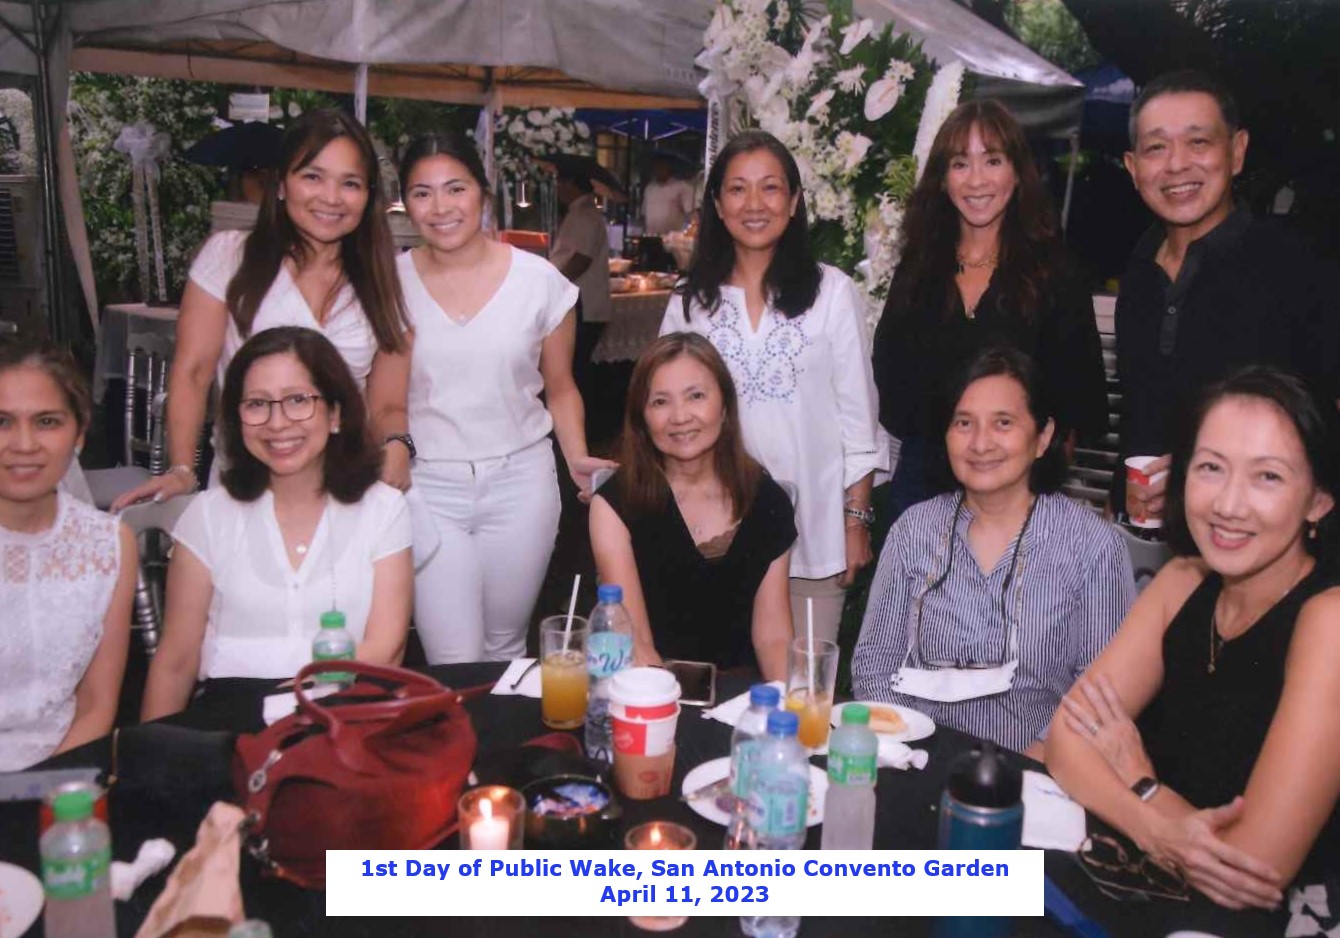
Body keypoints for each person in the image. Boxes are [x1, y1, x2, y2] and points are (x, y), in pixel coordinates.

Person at [1048, 367, 1340, 925]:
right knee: (911, 884)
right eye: (1211, 468)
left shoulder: (1329, 620)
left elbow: (1250, 870)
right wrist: (1153, 827)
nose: (1228, 504)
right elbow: (1067, 739)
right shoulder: (1182, 580)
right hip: (1147, 874)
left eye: (1268, 477)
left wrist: (1141, 781)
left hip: (1267, 921)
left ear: (1318, 501)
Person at [378, 132, 615, 664]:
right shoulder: (391, 283)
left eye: (455, 188)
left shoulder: (540, 282)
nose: (440, 207)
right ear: (406, 203)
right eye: (422, 193)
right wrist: (392, 446)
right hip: (429, 487)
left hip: (521, 483)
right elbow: (387, 401)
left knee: (506, 645)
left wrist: (576, 455)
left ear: (482, 194)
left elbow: (560, 387)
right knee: (454, 657)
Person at [112, 108, 408, 511]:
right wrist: (182, 469)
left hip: (343, 491)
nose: (331, 197)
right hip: (245, 485)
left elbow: (387, 404)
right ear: (281, 184)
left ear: (369, 195)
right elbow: (193, 372)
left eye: (350, 183)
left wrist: (397, 445)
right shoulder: (230, 257)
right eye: (313, 177)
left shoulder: (384, 278)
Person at [660, 130, 886, 646]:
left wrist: (855, 522)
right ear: (718, 205)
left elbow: (859, 420)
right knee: (720, 679)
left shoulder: (832, 292)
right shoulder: (689, 302)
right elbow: (663, 415)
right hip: (714, 534)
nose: (754, 204)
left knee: (801, 684)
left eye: (770, 187)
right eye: (738, 189)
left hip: (814, 534)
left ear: (794, 200)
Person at [852, 345, 1134, 758]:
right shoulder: (914, 531)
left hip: (1040, 767)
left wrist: (1037, 762)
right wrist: (907, 751)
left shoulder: (1093, 546)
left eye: (1003, 423)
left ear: (1043, 437)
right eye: (964, 423)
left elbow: (1101, 692)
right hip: (916, 759)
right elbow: (874, 666)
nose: (981, 443)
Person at [141, 328, 412, 720]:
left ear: (335, 414)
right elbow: (176, 662)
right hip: (230, 717)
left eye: (298, 400)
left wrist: (289, 705)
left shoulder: (383, 510)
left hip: (347, 713)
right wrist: (149, 749)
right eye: (257, 404)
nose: (277, 422)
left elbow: (386, 649)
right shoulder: (208, 515)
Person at [1112, 70, 1340, 525]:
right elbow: (1141, 413)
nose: (1176, 164)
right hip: (1152, 540)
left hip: (1268, 539)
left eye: (1198, 142)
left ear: (1237, 152)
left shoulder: (1297, 265)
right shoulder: (1139, 271)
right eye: (1156, 148)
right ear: (1133, 168)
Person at [872, 99, 1109, 517]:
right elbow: (890, 382)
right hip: (922, 487)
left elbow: (1076, 399)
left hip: (1019, 489)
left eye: (993, 160)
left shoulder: (1054, 272)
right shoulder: (919, 267)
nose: (977, 180)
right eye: (960, 164)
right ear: (942, 179)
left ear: (1017, 172)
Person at [590, 333, 795, 679]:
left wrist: (786, 706)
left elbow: (774, 639)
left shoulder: (767, 502)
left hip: (740, 695)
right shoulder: (616, 504)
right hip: (648, 685)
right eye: (660, 402)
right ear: (642, 418)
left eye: (696, 396)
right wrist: (667, 709)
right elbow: (636, 641)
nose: (680, 416)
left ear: (725, 406)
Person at [0, 343, 136, 770]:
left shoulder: (108, 544)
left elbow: (97, 704)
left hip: (65, 773)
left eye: (47, 422)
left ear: (79, 433)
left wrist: (46, 790)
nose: (24, 444)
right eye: (2, 422)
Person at [550, 165, 611, 391]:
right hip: (577, 302)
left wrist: (550, 283)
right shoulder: (577, 213)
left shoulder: (585, 215)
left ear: (571, 184)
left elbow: (581, 260)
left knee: (574, 371)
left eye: (560, 182)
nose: (557, 188)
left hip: (582, 305)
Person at [642, 155, 697, 235]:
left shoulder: (682, 187)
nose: (659, 170)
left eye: (662, 166)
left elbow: (691, 215)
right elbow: (644, 214)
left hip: (673, 238)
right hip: (650, 236)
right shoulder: (649, 188)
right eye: (657, 166)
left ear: (670, 168)